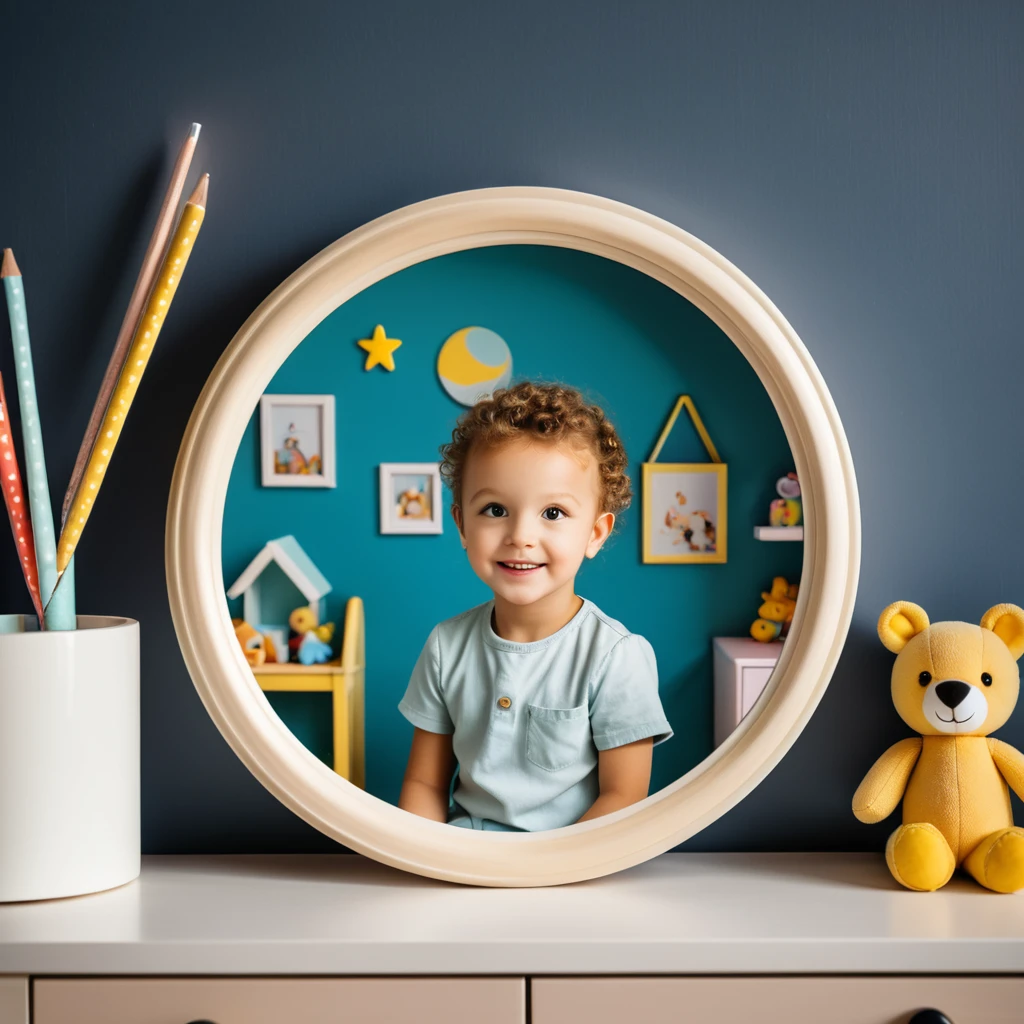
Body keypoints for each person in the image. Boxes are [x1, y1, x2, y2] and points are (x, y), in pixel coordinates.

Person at [397, 381, 672, 831]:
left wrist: (550, 874)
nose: (520, 536)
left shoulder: (616, 656)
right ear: (462, 523)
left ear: (595, 534)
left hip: (570, 870)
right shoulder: (447, 646)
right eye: (494, 510)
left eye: (553, 514)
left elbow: (623, 797)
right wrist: (421, 858)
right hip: (463, 859)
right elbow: (425, 784)